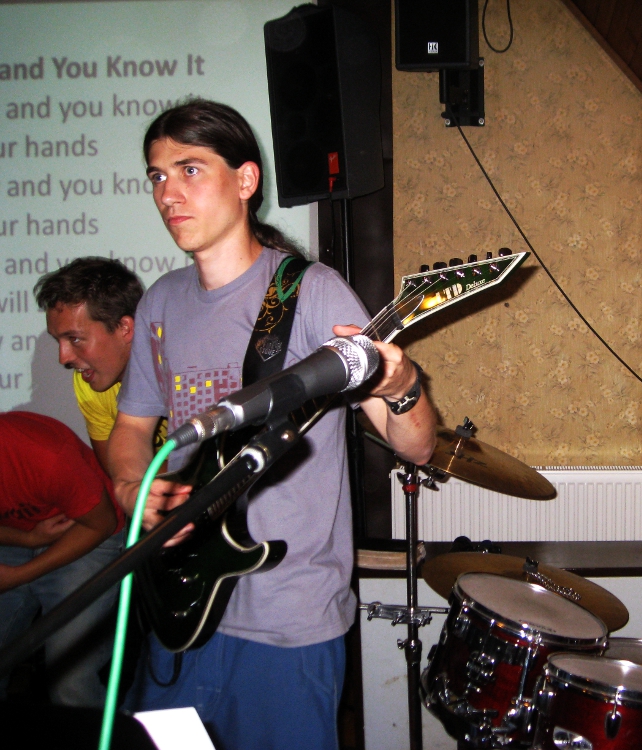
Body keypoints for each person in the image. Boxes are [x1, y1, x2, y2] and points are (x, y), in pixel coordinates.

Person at [106, 99, 436, 750]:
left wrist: (402, 387)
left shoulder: (311, 294)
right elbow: (130, 431)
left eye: (190, 169)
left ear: (246, 180)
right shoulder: (159, 303)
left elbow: (417, 445)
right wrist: (128, 489)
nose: (168, 192)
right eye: (156, 176)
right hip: (176, 605)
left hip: (287, 621)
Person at [0, 411, 123, 707]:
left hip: (88, 531)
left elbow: (102, 523)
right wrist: (30, 539)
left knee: (70, 681)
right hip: (16, 534)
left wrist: (20, 575)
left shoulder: (42, 453)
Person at [34, 258, 144, 473]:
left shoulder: (182, 369)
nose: (63, 358)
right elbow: (121, 475)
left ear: (124, 328)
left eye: (74, 339)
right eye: (59, 341)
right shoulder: (88, 383)